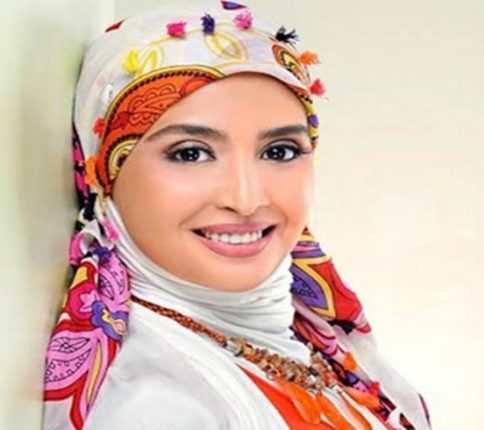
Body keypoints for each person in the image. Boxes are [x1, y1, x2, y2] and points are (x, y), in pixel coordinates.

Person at [42, 2, 431, 429]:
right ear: (103, 174)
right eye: (190, 153)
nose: (246, 200)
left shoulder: (308, 336)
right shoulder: (159, 407)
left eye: (279, 151)